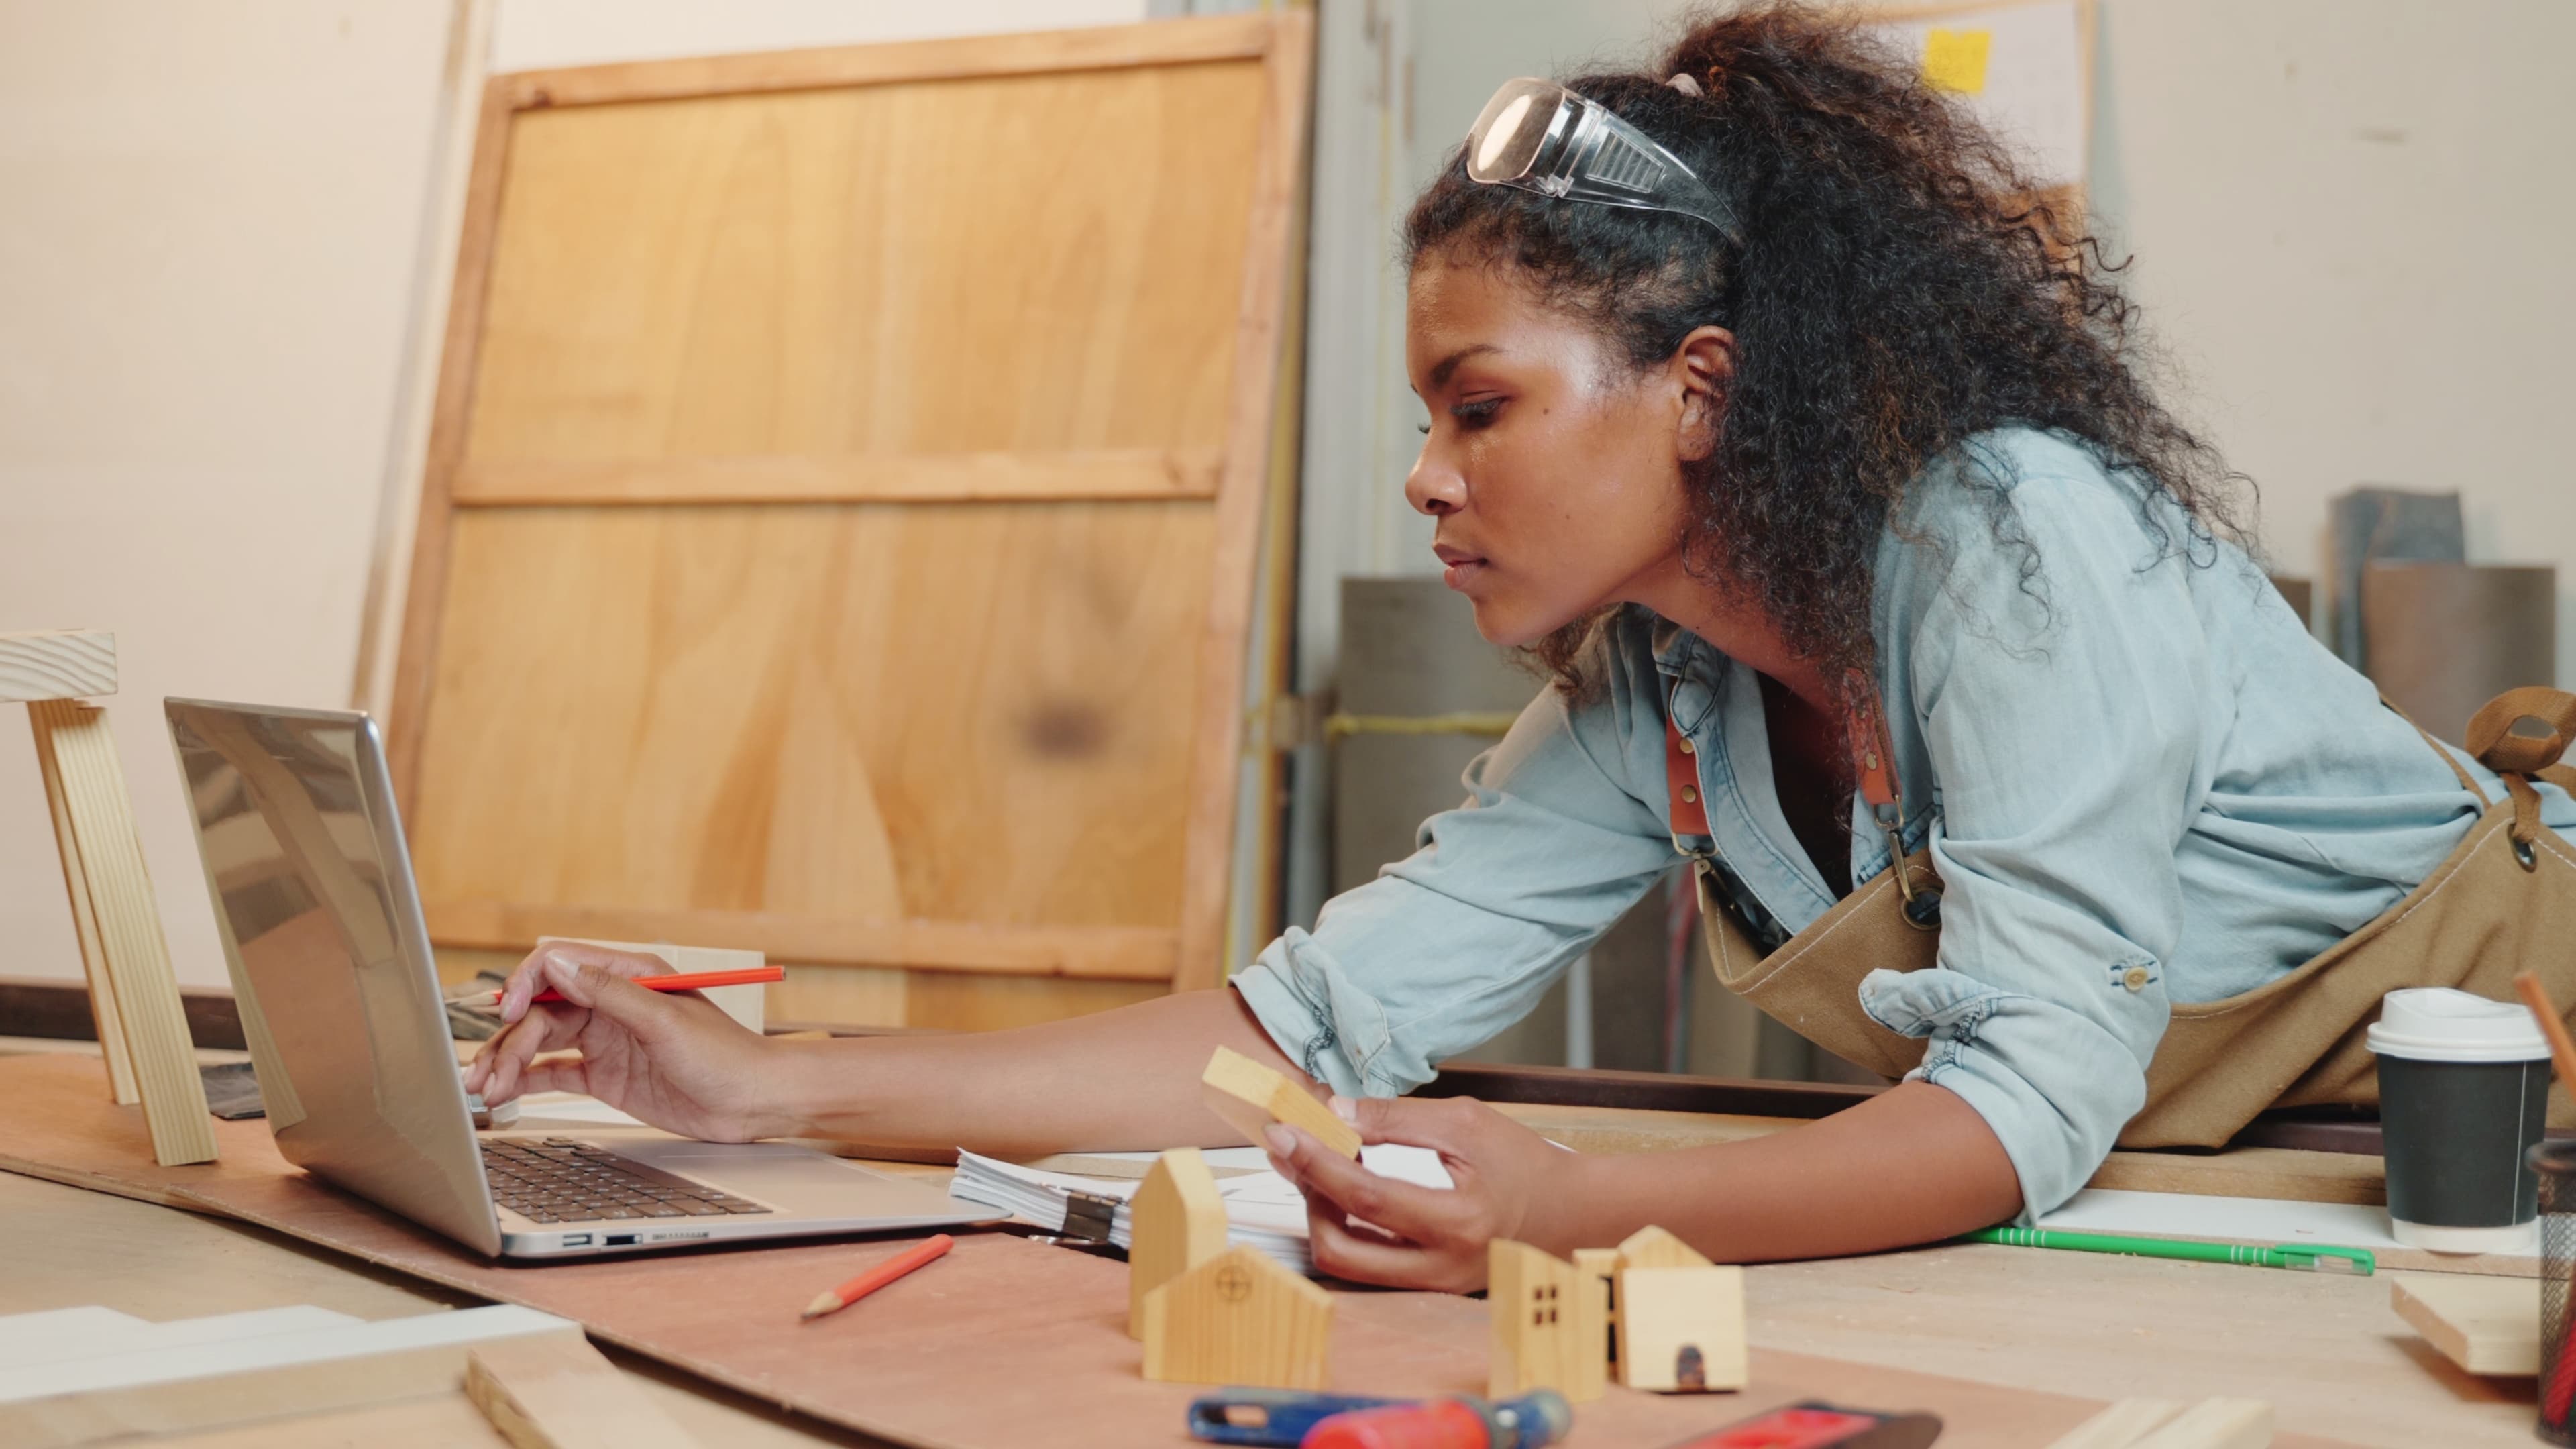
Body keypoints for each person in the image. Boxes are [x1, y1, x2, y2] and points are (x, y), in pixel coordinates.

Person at [466, 5, 2576, 1292]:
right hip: (2230, 1199)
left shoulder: (2016, 542)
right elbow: (1304, 1032)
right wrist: (780, 1086)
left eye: (1479, 405)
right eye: (1423, 419)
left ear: (1699, 388)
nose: (1426, 477)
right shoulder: (1659, 678)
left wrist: (1571, 1205)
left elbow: (2019, 1108)